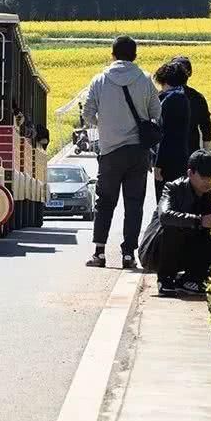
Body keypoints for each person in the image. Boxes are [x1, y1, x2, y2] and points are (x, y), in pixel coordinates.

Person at [82, 36, 162, 269]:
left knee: (105, 203)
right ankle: (128, 254)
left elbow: (87, 114)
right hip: (138, 152)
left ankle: (99, 253)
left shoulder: (99, 80)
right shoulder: (145, 79)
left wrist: (103, 124)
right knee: (134, 204)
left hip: (110, 151)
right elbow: (156, 112)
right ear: (135, 56)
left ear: (112, 54)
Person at [156, 149, 211, 297]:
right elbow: (165, 216)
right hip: (160, 252)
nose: (209, 181)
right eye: (204, 177)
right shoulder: (173, 188)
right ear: (190, 173)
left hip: (192, 250)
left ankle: (191, 279)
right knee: (173, 227)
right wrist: (199, 221)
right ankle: (165, 279)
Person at [152, 61, 191, 202]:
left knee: (164, 203)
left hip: (169, 162)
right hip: (180, 158)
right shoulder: (182, 97)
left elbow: (166, 135)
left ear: (165, 80)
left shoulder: (171, 100)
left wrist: (158, 164)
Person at [170, 56, 211, 153]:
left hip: (169, 151)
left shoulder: (163, 96)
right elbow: (206, 126)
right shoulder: (197, 97)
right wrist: (207, 153)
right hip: (191, 149)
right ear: (189, 74)